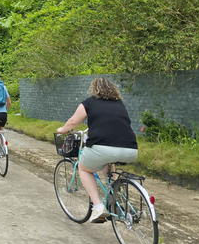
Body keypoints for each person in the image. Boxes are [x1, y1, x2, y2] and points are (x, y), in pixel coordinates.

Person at [56, 77, 138, 223]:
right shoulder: (119, 104)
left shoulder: (89, 102)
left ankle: (98, 207)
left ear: (94, 89)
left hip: (103, 148)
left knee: (84, 168)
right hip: (130, 149)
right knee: (108, 162)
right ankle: (114, 198)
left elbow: (73, 122)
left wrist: (62, 130)